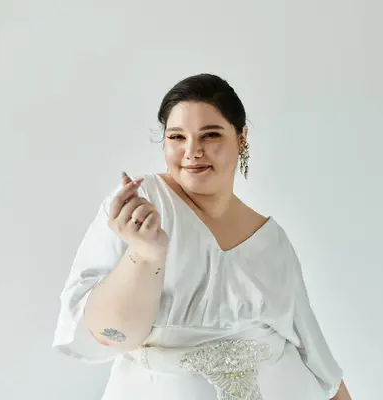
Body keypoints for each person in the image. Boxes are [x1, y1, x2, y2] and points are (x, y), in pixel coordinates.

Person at [52, 73, 353, 400]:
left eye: (210, 135)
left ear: (241, 138)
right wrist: (144, 255)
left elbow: (313, 349)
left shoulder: (272, 238)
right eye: (177, 137)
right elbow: (111, 334)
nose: (192, 151)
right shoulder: (143, 207)